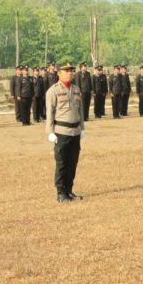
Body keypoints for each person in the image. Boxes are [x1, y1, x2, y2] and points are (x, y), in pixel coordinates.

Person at [46, 61, 85, 203]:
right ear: (59, 73)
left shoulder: (76, 89)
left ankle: (69, 190)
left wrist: (82, 128)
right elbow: (50, 113)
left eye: (71, 71)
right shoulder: (53, 91)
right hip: (61, 132)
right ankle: (61, 192)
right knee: (62, 163)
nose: (70, 73)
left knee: (72, 163)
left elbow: (80, 110)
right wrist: (50, 131)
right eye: (67, 71)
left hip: (75, 131)